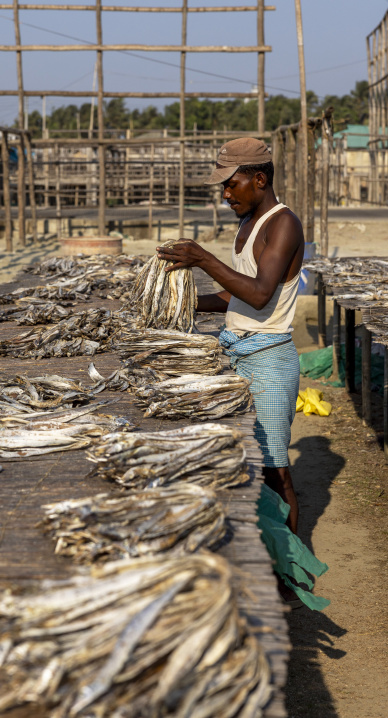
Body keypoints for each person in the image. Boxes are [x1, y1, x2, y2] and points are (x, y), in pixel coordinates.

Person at [156, 138, 329, 610]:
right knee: (241, 463)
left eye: (231, 185)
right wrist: (180, 303)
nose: (225, 195)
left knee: (275, 471)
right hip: (235, 351)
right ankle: (260, 563)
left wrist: (203, 261)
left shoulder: (284, 224)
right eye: (222, 187)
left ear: (260, 179)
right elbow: (239, 298)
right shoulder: (249, 223)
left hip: (270, 360)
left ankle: (288, 582)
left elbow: (258, 294)